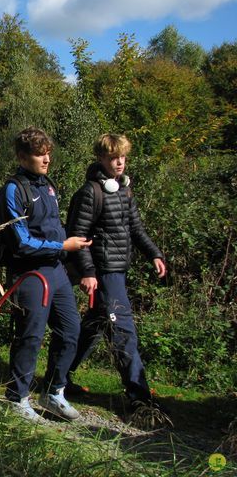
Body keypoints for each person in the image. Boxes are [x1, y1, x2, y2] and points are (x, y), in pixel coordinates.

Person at [66, 133, 167, 412]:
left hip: (118, 270)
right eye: (113, 157)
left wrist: (154, 253)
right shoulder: (91, 192)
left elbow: (135, 228)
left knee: (95, 327)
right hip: (103, 272)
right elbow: (78, 236)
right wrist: (87, 272)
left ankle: (59, 376)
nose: (119, 162)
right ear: (101, 158)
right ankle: (139, 396)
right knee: (123, 330)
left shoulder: (123, 190)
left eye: (122, 156)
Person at [3, 127, 91, 422]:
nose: (46, 159)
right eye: (39, 154)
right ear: (22, 157)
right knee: (30, 336)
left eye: (48, 153)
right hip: (29, 274)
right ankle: (17, 398)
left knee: (71, 331)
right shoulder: (14, 188)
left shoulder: (48, 185)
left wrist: (72, 260)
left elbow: (55, 225)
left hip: (56, 270)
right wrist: (62, 245)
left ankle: (54, 391)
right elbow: (21, 241)